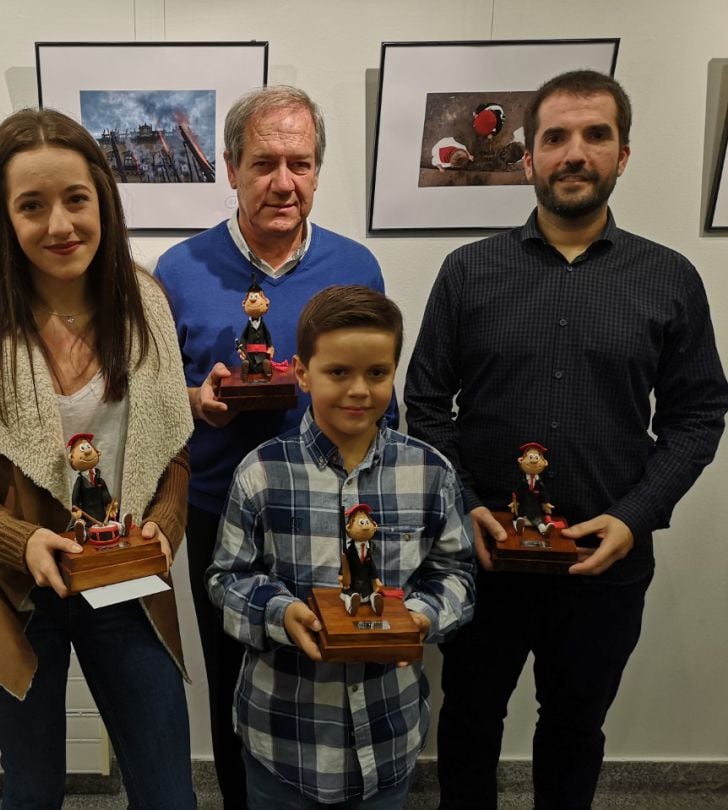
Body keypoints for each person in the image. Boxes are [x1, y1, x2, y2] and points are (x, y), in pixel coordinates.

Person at [404, 69, 728, 809]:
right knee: (470, 723)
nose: (574, 152)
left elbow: (699, 412)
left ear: (624, 154)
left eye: (595, 135)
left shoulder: (669, 278)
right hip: (484, 555)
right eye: (555, 137)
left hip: (603, 562)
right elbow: (424, 403)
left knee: (576, 729)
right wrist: (466, 506)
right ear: (527, 158)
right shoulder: (468, 272)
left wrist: (634, 515)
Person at [0, 107, 197, 809]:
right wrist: (20, 539)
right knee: (34, 790)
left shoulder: (146, 302)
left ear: (103, 197)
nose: (60, 225)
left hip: (125, 585)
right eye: (31, 206)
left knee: (168, 792)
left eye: (75, 199)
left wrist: (166, 520)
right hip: (17, 594)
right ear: (3, 218)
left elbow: (173, 448)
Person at [153, 85, 392, 808]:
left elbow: (382, 394)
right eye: (263, 163)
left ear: (318, 170)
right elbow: (153, 397)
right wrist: (197, 401)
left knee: (332, 668)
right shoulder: (177, 270)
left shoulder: (358, 267)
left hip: (331, 508)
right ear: (229, 168)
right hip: (217, 508)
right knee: (233, 682)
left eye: (300, 162)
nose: (283, 182)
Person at [208, 285, 475, 808]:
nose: (359, 390)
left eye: (377, 373)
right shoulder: (261, 472)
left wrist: (420, 617)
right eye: (337, 373)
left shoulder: (429, 472)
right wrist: (281, 614)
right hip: (284, 738)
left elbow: (456, 575)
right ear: (302, 373)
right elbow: (226, 579)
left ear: (394, 371)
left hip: (387, 735)